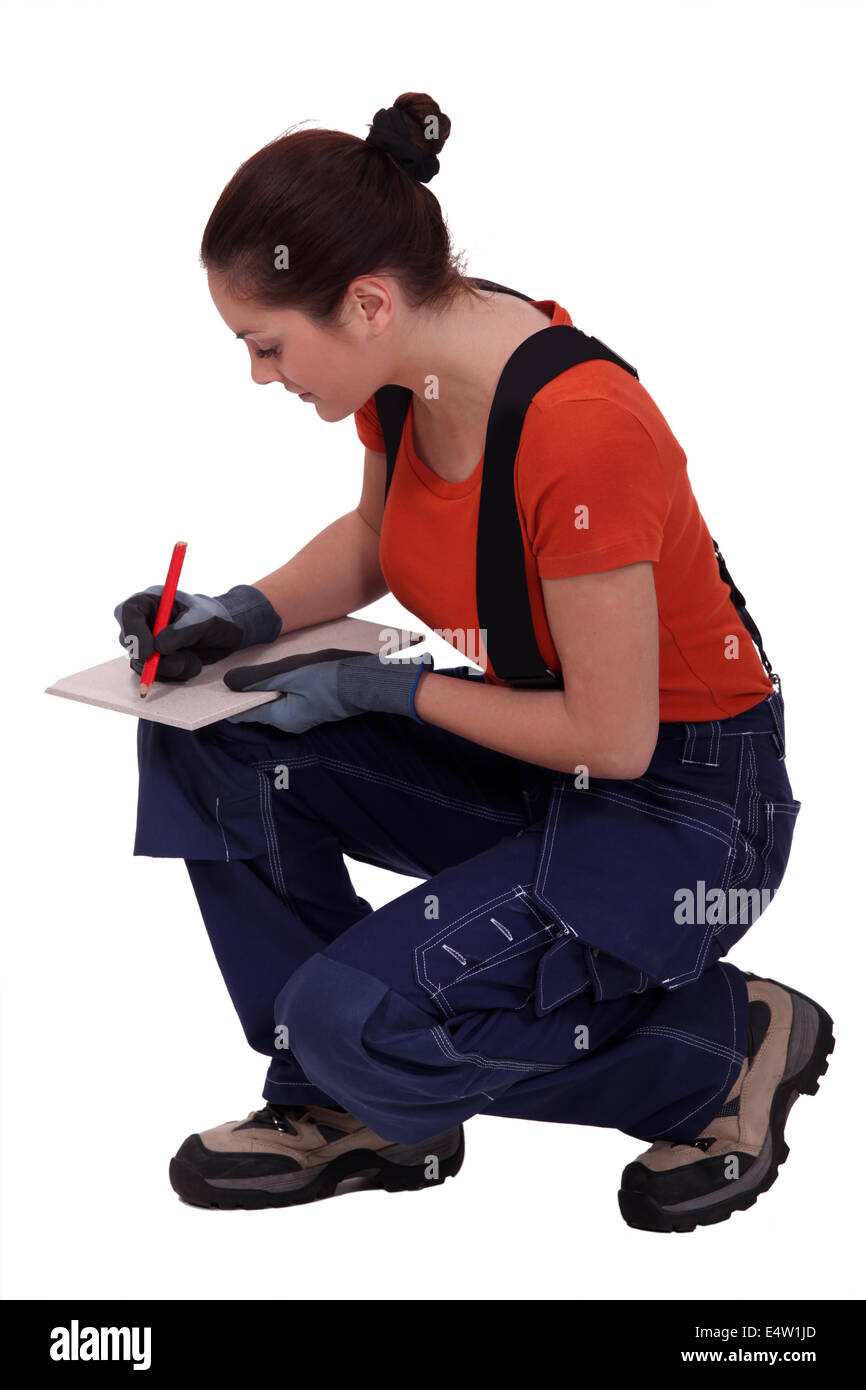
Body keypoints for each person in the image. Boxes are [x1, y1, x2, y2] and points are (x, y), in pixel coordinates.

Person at [115, 93, 833, 1231]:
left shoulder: (578, 428)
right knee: (208, 728)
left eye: (266, 345)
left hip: (685, 807)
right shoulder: (406, 369)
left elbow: (612, 738)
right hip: (529, 753)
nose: (259, 374)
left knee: (361, 1016)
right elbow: (374, 537)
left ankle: (718, 1045)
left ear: (363, 303)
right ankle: (344, 1105)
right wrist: (239, 617)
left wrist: (384, 687)